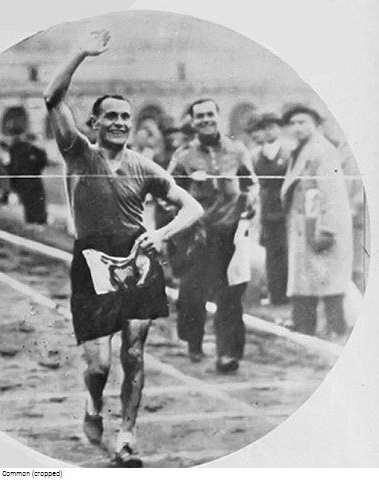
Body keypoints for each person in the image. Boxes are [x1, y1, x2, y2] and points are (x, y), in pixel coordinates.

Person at [43, 30, 203, 467]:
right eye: (110, 116)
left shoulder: (145, 167)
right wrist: (81, 52)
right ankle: (94, 405)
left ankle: (127, 435)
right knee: (98, 365)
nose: (118, 122)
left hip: (137, 261)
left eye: (125, 117)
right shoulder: (78, 152)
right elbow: (51, 97)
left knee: (134, 353)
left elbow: (192, 207)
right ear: (94, 123)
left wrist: (163, 234)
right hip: (92, 262)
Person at [167, 98, 258, 372]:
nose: (206, 120)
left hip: (229, 231)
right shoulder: (184, 155)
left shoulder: (237, 150)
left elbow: (251, 183)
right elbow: (167, 190)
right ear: (193, 122)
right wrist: (182, 208)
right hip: (197, 233)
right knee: (192, 295)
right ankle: (194, 341)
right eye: (200, 116)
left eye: (210, 114)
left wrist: (248, 202)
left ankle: (228, 353)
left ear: (218, 117)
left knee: (230, 294)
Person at [280, 105, 353, 336]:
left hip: (320, 224)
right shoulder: (300, 150)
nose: (297, 127)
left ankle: (335, 330)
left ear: (315, 124)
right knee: (306, 281)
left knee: (329, 282)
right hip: (305, 223)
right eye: (293, 123)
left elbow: (332, 193)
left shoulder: (322, 150)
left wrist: (328, 229)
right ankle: (305, 327)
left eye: (302, 122)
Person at [252, 112, 291, 305]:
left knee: (287, 251)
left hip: (286, 209)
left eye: (272, 127)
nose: (268, 131)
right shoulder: (257, 155)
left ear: (279, 128)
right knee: (271, 253)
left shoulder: (289, 152)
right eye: (264, 128)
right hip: (267, 209)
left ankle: (289, 294)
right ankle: (276, 295)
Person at [8, 133, 48, 226]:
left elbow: (13, 166)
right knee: (37, 200)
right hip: (34, 177)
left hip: (22, 178)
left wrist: (13, 180)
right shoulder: (35, 150)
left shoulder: (17, 149)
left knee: (28, 200)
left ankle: (31, 219)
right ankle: (39, 220)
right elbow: (42, 163)